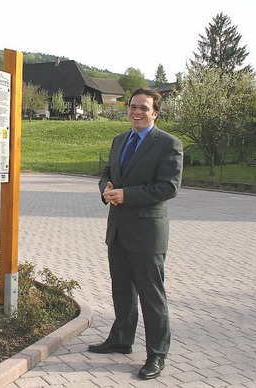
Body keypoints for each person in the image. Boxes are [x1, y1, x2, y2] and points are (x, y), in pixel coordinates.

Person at [89, 87, 183, 380]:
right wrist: (105, 188)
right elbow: (108, 172)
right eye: (133, 107)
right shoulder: (120, 140)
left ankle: (157, 354)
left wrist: (126, 195)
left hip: (147, 233)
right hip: (118, 229)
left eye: (144, 108)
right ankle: (121, 339)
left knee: (151, 296)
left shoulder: (168, 144)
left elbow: (168, 187)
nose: (137, 112)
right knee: (122, 291)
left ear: (155, 113)